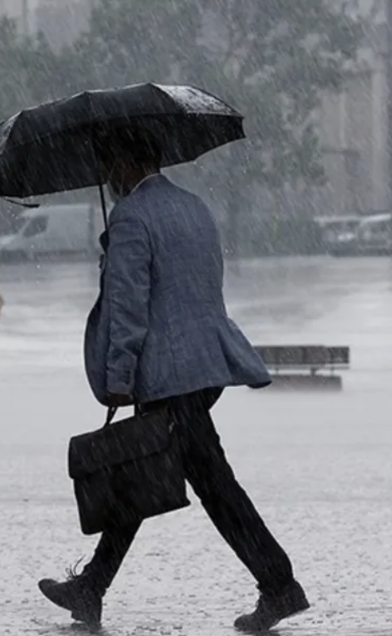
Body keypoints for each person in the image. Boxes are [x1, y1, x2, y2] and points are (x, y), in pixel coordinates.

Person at [38, 128, 309, 632]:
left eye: (108, 164)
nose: (106, 177)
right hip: (203, 367)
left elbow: (129, 309)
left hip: (165, 376)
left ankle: (279, 585)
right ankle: (91, 587)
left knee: (210, 484)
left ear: (125, 160)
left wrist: (119, 377)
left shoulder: (132, 218)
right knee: (141, 473)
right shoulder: (195, 208)